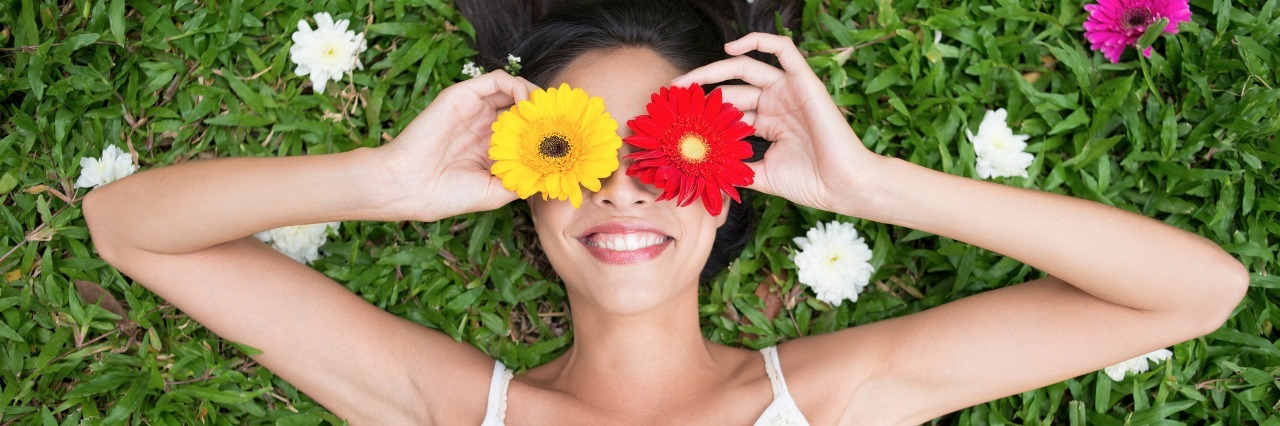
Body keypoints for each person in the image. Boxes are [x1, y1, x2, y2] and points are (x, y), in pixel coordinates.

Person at [83, 0, 1248, 424]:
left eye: (659, 153)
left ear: (726, 185)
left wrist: (871, 187)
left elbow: (1199, 292)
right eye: (573, 153)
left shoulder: (831, 402)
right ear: (527, 198)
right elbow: (127, 227)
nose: (623, 185)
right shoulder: (443, 407)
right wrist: (379, 182)